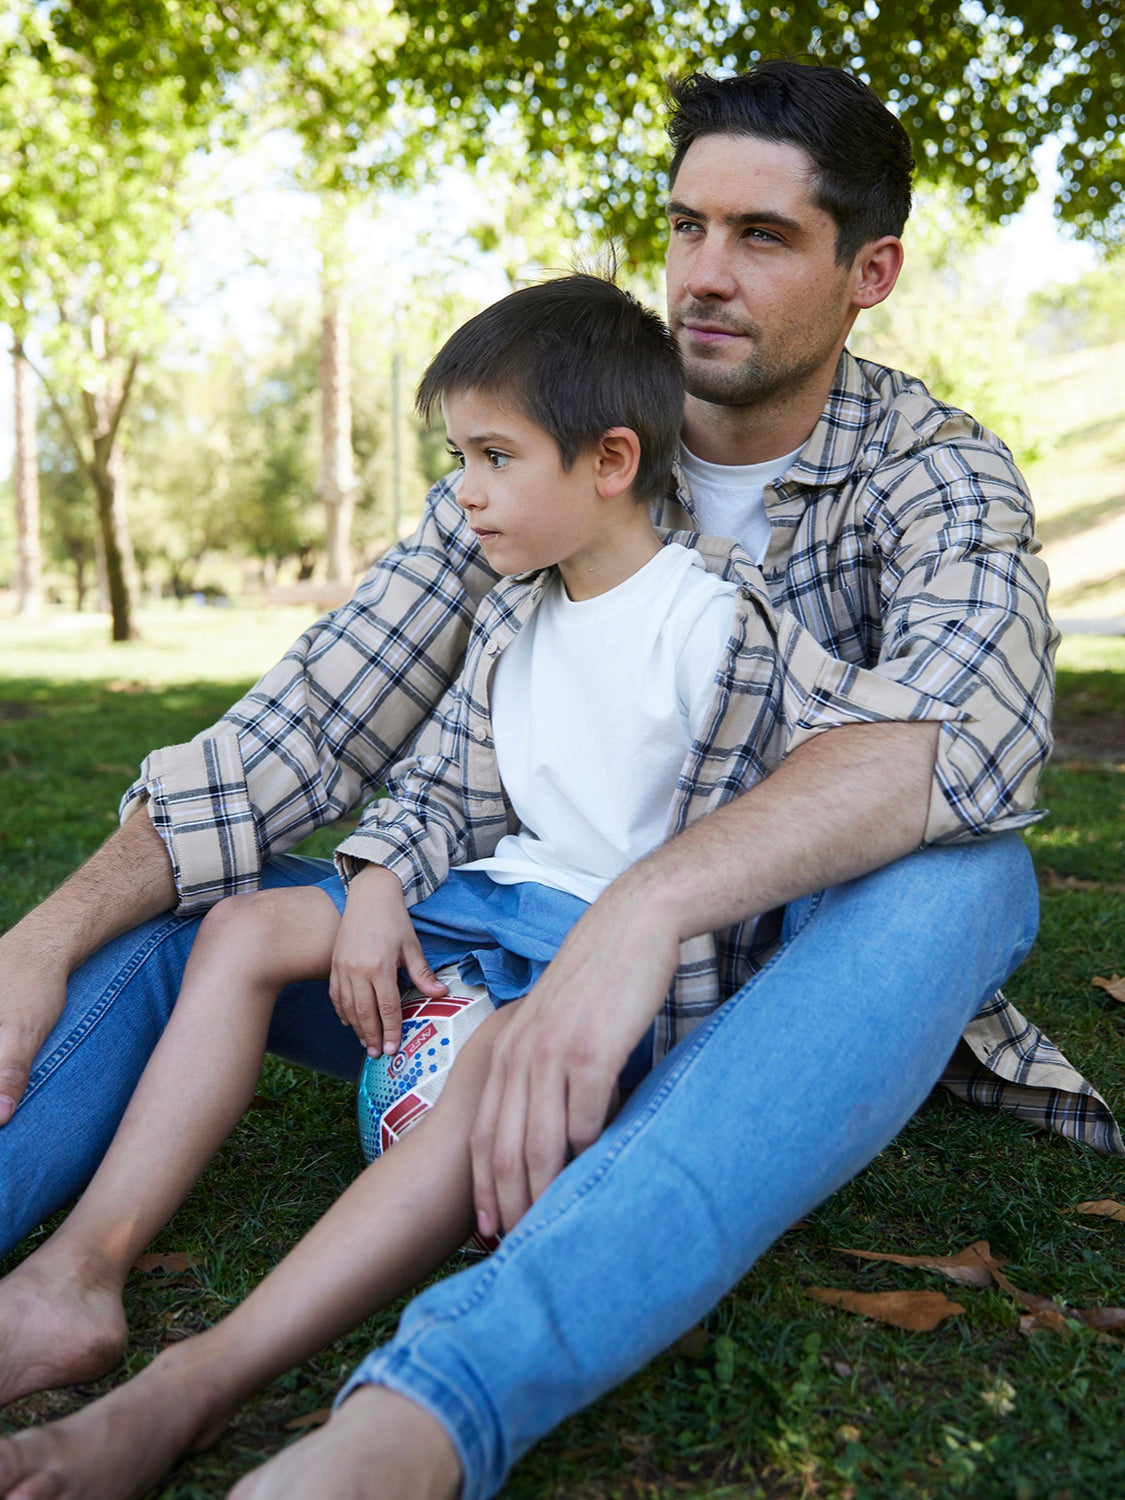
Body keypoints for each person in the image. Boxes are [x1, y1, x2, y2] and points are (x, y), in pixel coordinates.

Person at [0, 56, 1118, 1500]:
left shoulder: (937, 473)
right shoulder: (536, 459)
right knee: (176, 907)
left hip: (751, 1002)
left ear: (869, 270)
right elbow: (317, 724)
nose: (701, 276)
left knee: (969, 874)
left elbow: (956, 742)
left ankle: (413, 1418)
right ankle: (68, 1271)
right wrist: (43, 933)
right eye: (684, 227)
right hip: (485, 946)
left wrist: (641, 916)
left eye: (762, 237)